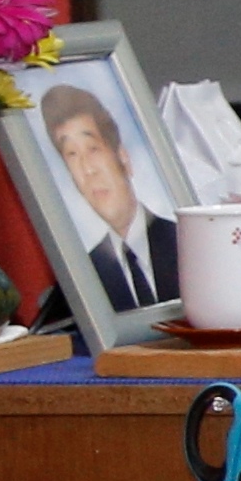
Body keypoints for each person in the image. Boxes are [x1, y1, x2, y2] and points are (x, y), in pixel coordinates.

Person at [40, 83, 174, 312]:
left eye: (93, 149)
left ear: (123, 157)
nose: (88, 170)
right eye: (72, 155)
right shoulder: (85, 275)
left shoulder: (185, 241)